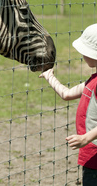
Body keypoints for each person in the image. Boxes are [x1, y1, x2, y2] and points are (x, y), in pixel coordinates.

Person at [40, 23, 97, 186]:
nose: (83, 55)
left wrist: (85, 138)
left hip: (94, 155)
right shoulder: (92, 81)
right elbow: (67, 94)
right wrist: (49, 76)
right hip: (90, 156)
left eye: (86, 52)